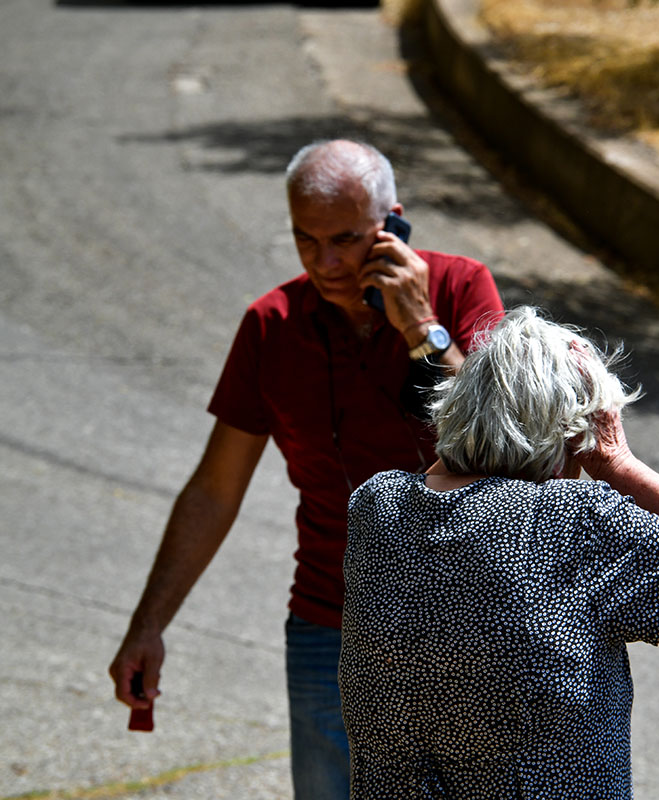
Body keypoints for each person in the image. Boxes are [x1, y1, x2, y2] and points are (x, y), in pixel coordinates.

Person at [108, 139, 505, 800]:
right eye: (305, 240)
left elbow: (501, 447)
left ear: (392, 223)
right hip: (329, 626)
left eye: (346, 240)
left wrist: (422, 329)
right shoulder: (271, 325)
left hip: (460, 624)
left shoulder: (462, 288)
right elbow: (214, 489)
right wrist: (148, 625)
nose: (326, 263)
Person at [339, 306, 659, 798]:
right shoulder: (569, 521)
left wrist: (482, 409)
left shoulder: (377, 507)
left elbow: (454, 468)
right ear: (576, 434)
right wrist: (617, 461)